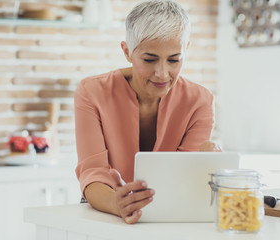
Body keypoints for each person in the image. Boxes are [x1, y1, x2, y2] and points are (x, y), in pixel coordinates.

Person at [74, 0, 221, 224]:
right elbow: (93, 173)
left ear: (185, 51)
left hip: (170, 213)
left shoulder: (200, 101)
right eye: (149, 59)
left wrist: (206, 166)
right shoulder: (91, 92)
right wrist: (116, 203)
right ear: (127, 52)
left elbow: (184, 178)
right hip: (106, 211)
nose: (162, 74)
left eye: (174, 60)